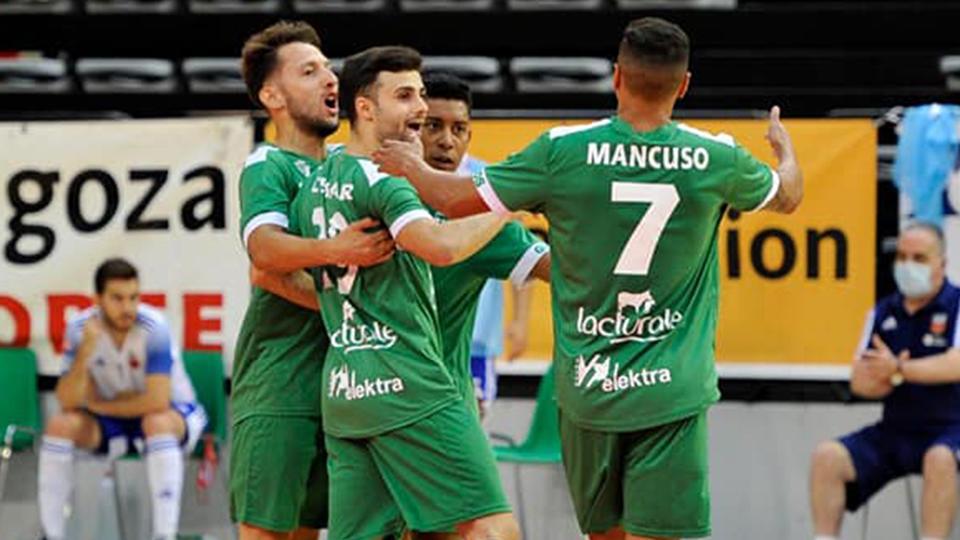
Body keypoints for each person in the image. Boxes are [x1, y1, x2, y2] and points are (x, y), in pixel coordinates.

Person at [374, 16, 803, 540]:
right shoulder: (716, 157)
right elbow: (788, 195)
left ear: (617, 76)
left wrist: (411, 167)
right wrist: (786, 153)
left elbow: (450, 200)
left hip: (587, 391)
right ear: (684, 85)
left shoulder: (561, 150)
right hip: (670, 391)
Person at [291, 45, 520, 540]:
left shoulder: (315, 183)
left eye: (420, 94)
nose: (420, 107)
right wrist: (505, 203)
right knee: (491, 527)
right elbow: (438, 246)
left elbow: (290, 270)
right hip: (410, 382)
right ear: (365, 108)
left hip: (348, 390)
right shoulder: (384, 178)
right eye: (405, 96)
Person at [232, 21, 394, 540]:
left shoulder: (349, 167)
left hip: (344, 386)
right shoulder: (269, 165)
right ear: (271, 95)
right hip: (280, 388)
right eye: (310, 71)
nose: (331, 80)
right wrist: (335, 251)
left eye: (329, 68)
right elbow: (263, 255)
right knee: (267, 534)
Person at [38, 258, 207, 540]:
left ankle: (164, 535)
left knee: (156, 422)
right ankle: (50, 535)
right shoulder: (80, 329)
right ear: (98, 299)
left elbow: (156, 401)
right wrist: (86, 352)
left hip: (174, 414)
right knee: (59, 426)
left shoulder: (155, 328)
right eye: (117, 298)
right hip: (112, 422)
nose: (128, 307)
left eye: (133, 297)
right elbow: (68, 400)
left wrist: (100, 405)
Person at [810, 223, 960, 540]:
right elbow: (860, 382)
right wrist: (889, 375)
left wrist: (898, 369)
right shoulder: (882, 311)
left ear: (942, 264)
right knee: (827, 457)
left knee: (940, 459)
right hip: (894, 429)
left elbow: (955, 365)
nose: (908, 266)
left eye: (919, 258)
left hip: (949, 429)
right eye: (902, 257)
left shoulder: (956, 305)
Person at [420, 71, 550, 420]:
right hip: (401, 352)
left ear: (469, 133)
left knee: (470, 430)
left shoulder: (491, 184)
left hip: (474, 340)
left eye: (457, 128)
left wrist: (519, 322)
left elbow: (525, 255)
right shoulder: (390, 184)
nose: (446, 140)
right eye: (433, 125)